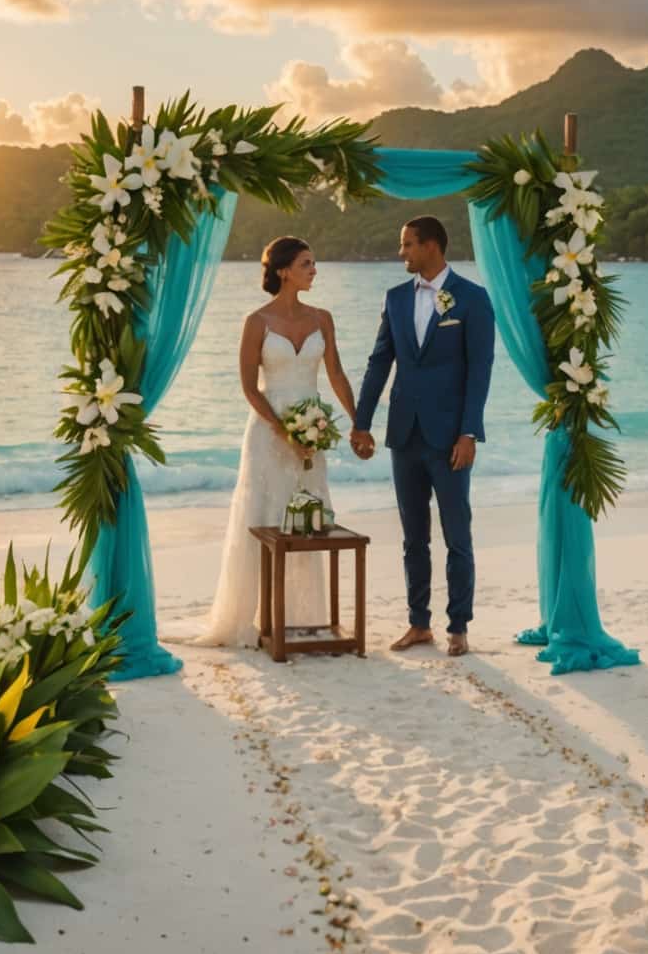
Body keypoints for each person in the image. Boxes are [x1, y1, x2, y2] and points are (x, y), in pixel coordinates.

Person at [193, 236, 360, 648]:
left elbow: (336, 374)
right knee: (266, 514)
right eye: (307, 263)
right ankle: (260, 618)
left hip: (314, 429)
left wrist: (359, 422)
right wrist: (285, 430)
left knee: (307, 519)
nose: (314, 270)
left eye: (314, 263)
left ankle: (301, 617)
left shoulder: (323, 318)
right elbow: (250, 388)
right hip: (269, 434)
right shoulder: (257, 322)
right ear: (284, 270)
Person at [351, 216, 495, 657]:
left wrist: (469, 432)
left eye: (408, 245)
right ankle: (419, 624)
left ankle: (458, 627)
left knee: (457, 535)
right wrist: (362, 422)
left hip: (451, 437)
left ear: (432, 246)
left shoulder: (472, 299)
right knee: (413, 536)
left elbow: (480, 371)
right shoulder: (395, 299)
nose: (402, 253)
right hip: (404, 436)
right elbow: (380, 363)